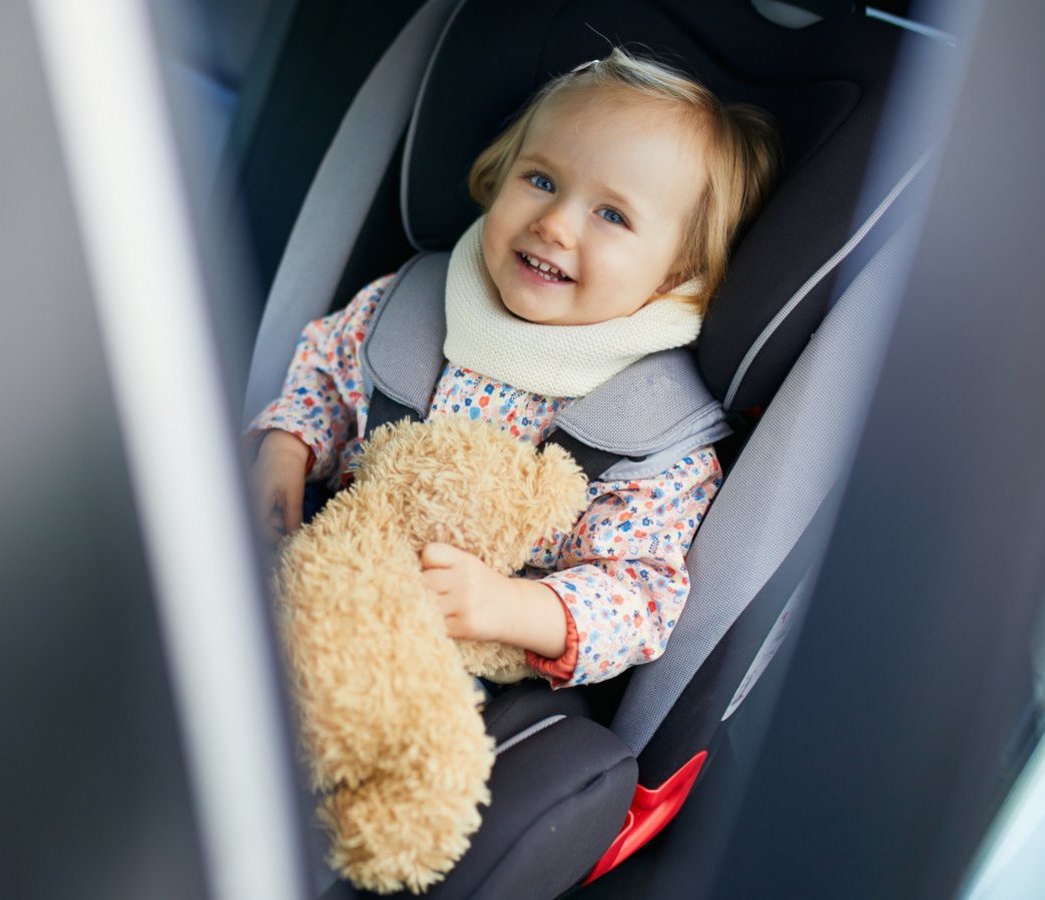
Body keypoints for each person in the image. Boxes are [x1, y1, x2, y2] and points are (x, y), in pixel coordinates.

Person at [247, 48, 779, 688]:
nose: (554, 224)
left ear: (674, 271)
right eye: (541, 180)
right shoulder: (414, 303)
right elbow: (326, 380)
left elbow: (641, 597)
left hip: (457, 671)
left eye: (611, 215)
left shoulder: (654, 428)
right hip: (326, 579)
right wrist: (287, 449)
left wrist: (514, 608)